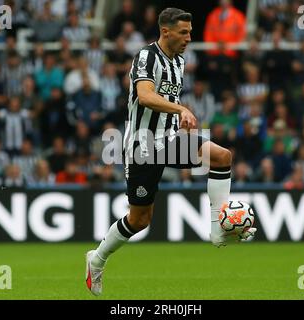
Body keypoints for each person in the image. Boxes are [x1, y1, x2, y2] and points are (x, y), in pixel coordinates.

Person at [85, 7, 257, 296]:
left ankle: (217, 228)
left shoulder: (179, 61)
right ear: (166, 31)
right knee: (140, 219)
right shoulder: (146, 56)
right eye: (184, 32)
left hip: (169, 138)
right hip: (143, 146)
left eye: (190, 32)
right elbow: (145, 96)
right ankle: (97, 259)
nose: (189, 37)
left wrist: (178, 119)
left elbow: (165, 101)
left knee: (222, 156)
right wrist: (180, 108)